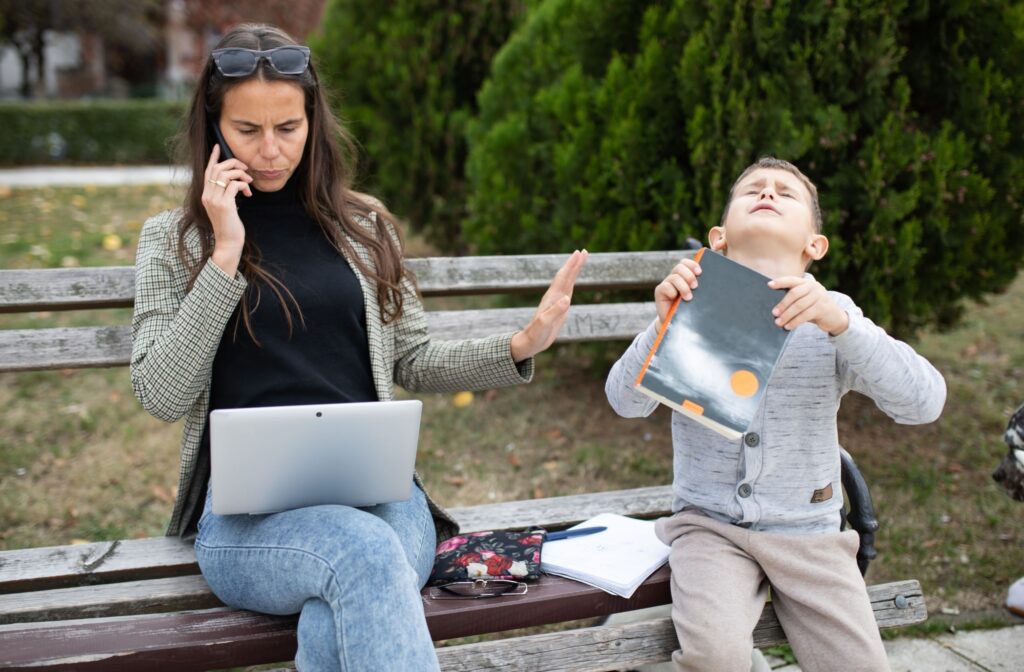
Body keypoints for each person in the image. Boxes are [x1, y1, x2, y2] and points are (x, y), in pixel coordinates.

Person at [130, 23, 587, 671]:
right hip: (245, 525)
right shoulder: (173, 243)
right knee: (366, 557)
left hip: (381, 500)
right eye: (246, 130)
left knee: (349, 588)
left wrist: (519, 344)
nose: (269, 152)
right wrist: (225, 255)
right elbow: (159, 393)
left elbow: (413, 358)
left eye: (287, 128)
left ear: (313, 120)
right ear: (213, 128)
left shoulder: (362, 227)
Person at [605, 157, 946, 672]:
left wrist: (844, 327)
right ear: (718, 238)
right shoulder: (691, 310)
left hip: (811, 533)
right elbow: (624, 404)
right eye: (752, 190)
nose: (767, 193)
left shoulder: (834, 318)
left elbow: (923, 403)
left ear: (815, 245)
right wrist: (664, 328)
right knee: (715, 659)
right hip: (710, 530)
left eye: (785, 193)